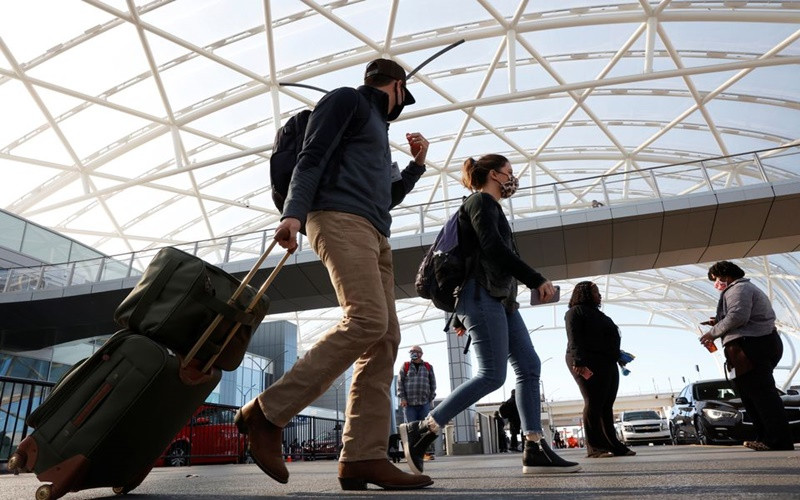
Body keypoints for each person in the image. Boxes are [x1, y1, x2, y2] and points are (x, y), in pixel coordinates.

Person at [235, 58, 434, 491]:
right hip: (338, 219)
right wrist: (293, 213)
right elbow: (312, 156)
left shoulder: (378, 135)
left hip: (375, 231)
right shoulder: (345, 100)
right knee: (365, 319)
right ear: (397, 86)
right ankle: (266, 413)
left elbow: (388, 196)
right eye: (404, 96)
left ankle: (363, 457)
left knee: (384, 340)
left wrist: (417, 164)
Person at [399, 154, 581, 475]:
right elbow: (494, 250)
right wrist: (536, 279)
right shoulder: (481, 202)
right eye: (509, 173)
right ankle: (423, 428)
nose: (513, 178)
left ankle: (534, 445)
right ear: (495, 175)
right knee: (493, 375)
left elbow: (484, 258)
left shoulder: (488, 207)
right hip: (482, 296)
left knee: (528, 366)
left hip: (499, 300)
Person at [699, 261, 794, 451]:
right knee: (754, 394)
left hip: (751, 345)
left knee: (761, 395)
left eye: (717, 279)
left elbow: (738, 316)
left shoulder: (738, 289)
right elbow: (740, 315)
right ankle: (767, 438)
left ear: (726, 276)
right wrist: (718, 321)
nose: (716, 284)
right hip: (755, 343)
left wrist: (713, 332)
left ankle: (777, 440)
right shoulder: (743, 289)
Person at [564, 281, 635, 458]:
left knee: (606, 404)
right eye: (596, 291)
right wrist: (579, 362)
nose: (599, 295)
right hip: (586, 362)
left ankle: (613, 445)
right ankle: (595, 447)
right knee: (594, 401)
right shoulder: (575, 312)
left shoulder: (598, 314)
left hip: (607, 361)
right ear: (586, 294)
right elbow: (574, 338)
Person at [397, 345, 437, 423]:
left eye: (414, 351)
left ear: (420, 354)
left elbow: (433, 384)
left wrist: (430, 399)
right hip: (409, 405)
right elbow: (400, 383)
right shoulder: (405, 366)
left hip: (424, 404)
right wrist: (403, 398)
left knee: (424, 430)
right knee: (411, 429)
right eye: (411, 352)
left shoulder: (428, 366)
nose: (412, 353)